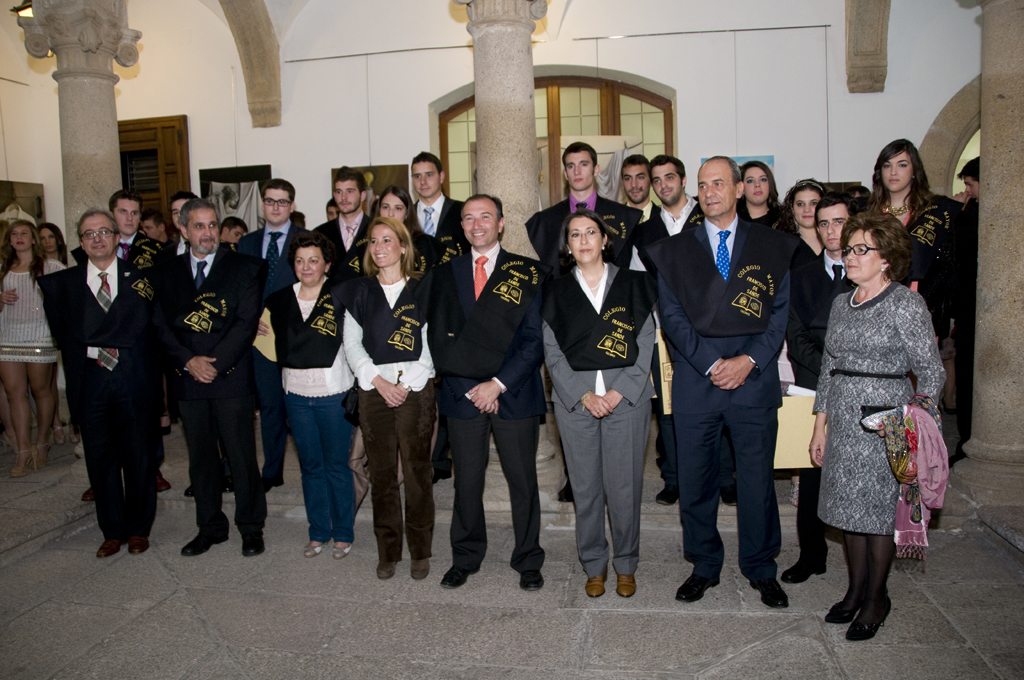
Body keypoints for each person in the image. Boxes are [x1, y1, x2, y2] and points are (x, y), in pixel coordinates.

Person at [646, 156, 797, 609]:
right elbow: (671, 318)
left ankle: (760, 566)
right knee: (695, 480)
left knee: (755, 480)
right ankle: (704, 565)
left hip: (754, 380)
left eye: (719, 183)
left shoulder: (771, 246)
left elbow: (780, 314)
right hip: (697, 380)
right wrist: (714, 365)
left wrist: (748, 360)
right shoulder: (675, 251)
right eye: (703, 184)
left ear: (738, 189)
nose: (710, 192)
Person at [810, 212, 945, 641]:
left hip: (888, 423)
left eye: (861, 249)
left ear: (886, 257)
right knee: (848, 512)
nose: (850, 256)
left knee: (879, 515)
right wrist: (819, 424)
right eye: (848, 249)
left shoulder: (906, 303)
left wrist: (918, 422)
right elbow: (829, 366)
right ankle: (854, 590)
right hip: (844, 421)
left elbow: (931, 370)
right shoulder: (839, 303)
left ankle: (876, 599)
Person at [416, 194, 549, 591]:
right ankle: (466, 556)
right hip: (461, 393)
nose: (477, 224)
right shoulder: (442, 275)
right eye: (469, 218)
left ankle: (528, 558)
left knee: (523, 481)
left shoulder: (527, 273)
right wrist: (472, 384)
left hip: (514, 391)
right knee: (466, 481)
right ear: (461, 227)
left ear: (501, 223)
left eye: (485, 217)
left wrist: (498, 384)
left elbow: (534, 340)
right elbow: (436, 338)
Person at [541, 209, 656, 598]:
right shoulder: (555, 293)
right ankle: (593, 564)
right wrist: (585, 395)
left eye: (592, 232)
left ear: (605, 240)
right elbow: (552, 354)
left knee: (625, 487)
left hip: (628, 398)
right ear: (568, 246)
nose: (585, 240)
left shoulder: (635, 285)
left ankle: (626, 564)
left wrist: (618, 392)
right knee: (587, 488)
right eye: (576, 235)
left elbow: (646, 345)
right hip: (577, 402)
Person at [39, 209, 162, 557]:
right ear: (80, 242)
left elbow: (156, 331)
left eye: (104, 232)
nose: (97, 238)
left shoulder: (143, 279)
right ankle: (112, 529)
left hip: (132, 377)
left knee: (138, 456)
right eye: (88, 234)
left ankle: (139, 528)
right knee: (100, 457)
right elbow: (63, 336)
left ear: (115, 237)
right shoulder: (61, 286)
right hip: (91, 378)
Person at [152, 198, 268, 558]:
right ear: (183, 230)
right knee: (200, 459)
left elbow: (245, 322)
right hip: (188, 379)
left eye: (212, 225)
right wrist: (189, 361)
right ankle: (210, 527)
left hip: (230, 377)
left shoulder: (245, 267)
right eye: (199, 226)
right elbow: (159, 325)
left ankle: (251, 528)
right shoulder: (164, 272)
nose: (208, 233)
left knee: (241, 456)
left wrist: (213, 364)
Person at [337, 217, 436, 579]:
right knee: (380, 473)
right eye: (373, 241)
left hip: (416, 389)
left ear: (403, 247)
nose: (379, 247)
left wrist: (404, 385)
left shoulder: (423, 289)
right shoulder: (357, 292)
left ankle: (421, 550)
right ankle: (388, 549)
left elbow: (429, 346)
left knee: (416, 470)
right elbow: (351, 345)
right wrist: (380, 382)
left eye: (387, 240)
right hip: (373, 390)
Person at [265, 230, 356, 560]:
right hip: (296, 395)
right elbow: (265, 338)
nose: (306, 266)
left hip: (333, 393)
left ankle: (343, 532)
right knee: (310, 467)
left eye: (313, 260)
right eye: (300, 261)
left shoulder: (342, 296)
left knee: (337, 466)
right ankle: (318, 531)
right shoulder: (277, 300)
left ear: (327, 265)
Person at [781, 192, 857, 584]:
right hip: (813, 385)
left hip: (861, 387)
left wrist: (850, 371)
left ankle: (864, 562)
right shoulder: (802, 276)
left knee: (857, 476)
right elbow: (795, 337)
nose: (830, 231)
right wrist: (832, 369)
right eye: (824, 223)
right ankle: (812, 556)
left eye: (838, 222)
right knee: (812, 474)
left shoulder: (870, 273)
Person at [628, 154, 703, 506]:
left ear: (684, 180)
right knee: (669, 408)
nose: (663, 185)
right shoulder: (644, 232)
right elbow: (638, 284)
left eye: (669, 177)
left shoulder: (708, 219)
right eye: (656, 180)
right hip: (663, 330)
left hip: (711, 328)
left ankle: (719, 477)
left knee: (712, 403)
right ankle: (673, 477)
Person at [237, 179, 303, 492]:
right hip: (259, 339)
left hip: (295, 338)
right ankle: (272, 470)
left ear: (291, 205)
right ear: (263, 204)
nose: (275, 207)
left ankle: (310, 469)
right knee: (270, 406)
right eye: (270, 201)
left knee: (300, 407)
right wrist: (250, 322)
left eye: (282, 201)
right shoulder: (246, 244)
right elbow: (238, 290)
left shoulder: (304, 241)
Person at [0, 220, 65, 476]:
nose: (18, 238)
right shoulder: (3, 268)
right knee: (14, 392)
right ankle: (23, 450)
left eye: (23, 233)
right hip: (8, 338)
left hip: (39, 336)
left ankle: (41, 443)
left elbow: (69, 295)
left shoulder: (50, 267)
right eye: (13, 234)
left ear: (34, 238)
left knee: (40, 390)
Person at [527, 141, 642, 275]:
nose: (577, 171)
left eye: (584, 164)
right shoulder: (543, 221)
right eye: (571, 166)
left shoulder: (624, 215)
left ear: (596, 169)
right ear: (565, 174)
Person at [866, 139, 961, 295]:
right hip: (875, 298)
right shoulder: (866, 213)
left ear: (914, 172)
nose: (893, 172)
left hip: (921, 300)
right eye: (887, 165)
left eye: (902, 165)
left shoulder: (934, 211)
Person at [951, 157, 980, 464]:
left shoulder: (971, 218)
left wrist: (955, 213)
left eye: (970, 185)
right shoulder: (969, 214)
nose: (968, 192)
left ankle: (970, 441)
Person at [71, 190, 164, 270]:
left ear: (140, 216)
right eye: (123, 212)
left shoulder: (158, 250)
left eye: (134, 213)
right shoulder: (92, 248)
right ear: (111, 215)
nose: (129, 218)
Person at [314, 167, 372, 284]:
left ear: (362, 195)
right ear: (334, 196)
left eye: (350, 191)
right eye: (339, 192)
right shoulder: (320, 234)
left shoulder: (377, 230)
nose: (343, 197)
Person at [411, 151, 469, 261]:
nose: (423, 182)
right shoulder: (406, 216)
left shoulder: (462, 211)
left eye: (429, 175)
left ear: (441, 177)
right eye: (417, 176)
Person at [374, 184, 443, 273]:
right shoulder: (368, 244)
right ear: (379, 210)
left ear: (407, 213)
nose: (390, 214)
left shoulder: (425, 244)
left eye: (398, 208)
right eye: (385, 207)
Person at [779, 179, 825, 269]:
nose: (807, 209)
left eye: (813, 203)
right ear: (792, 208)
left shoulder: (836, 240)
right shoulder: (783, 244)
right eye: (800, 204)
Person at [737, 160, 781, 229]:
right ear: (741, 188)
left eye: (763, 179)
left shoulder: (784, 219)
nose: (757, 185)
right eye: (750, 181)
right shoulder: (733, 220)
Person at [621, 154, 654, 222]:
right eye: (628, 178)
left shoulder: (665, 219)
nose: (633, 184)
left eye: (640, 177)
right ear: (622, 184)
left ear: (651, 181)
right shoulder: (613, 222)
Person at [169, 191, 199, 256]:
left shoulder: (212, 247)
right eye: (175, 212)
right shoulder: (166, 253)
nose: (179, 215)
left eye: (184, 211)